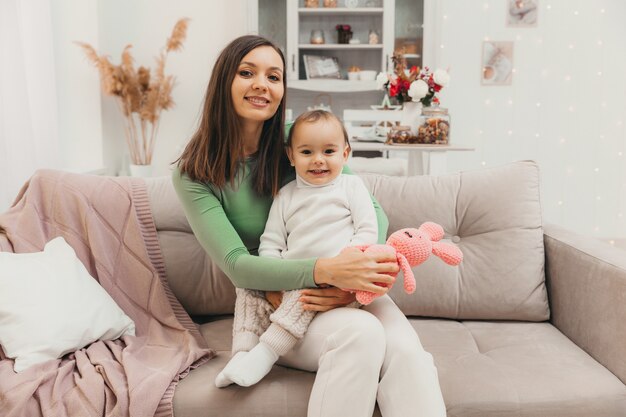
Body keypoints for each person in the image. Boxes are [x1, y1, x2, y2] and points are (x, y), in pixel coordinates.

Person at [173, 35, 446, 417]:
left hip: (347, 285)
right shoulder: (194, 173)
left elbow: (372, 210)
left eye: (274, 76)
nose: (261, 85)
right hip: (280, 301)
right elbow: (236, 263)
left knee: (409, 354)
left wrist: (350, 284)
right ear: (223, 82)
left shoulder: (299, 138)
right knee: (361, 335)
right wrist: (322, 273)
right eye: (246, 72)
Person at [215, 109, 378, 389]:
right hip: (292, 276)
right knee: (247, 287)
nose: (318, 160)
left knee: (304, 296)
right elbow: (271, 243)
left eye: (329, 151)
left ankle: (265, 354)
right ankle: (242, 351)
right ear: (291, 156)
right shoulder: (286, 194)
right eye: (306, 152)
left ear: (345, 154)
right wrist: (271, 279)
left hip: (334, 280)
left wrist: (343, 265)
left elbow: (367, 230)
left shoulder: (351, 186)